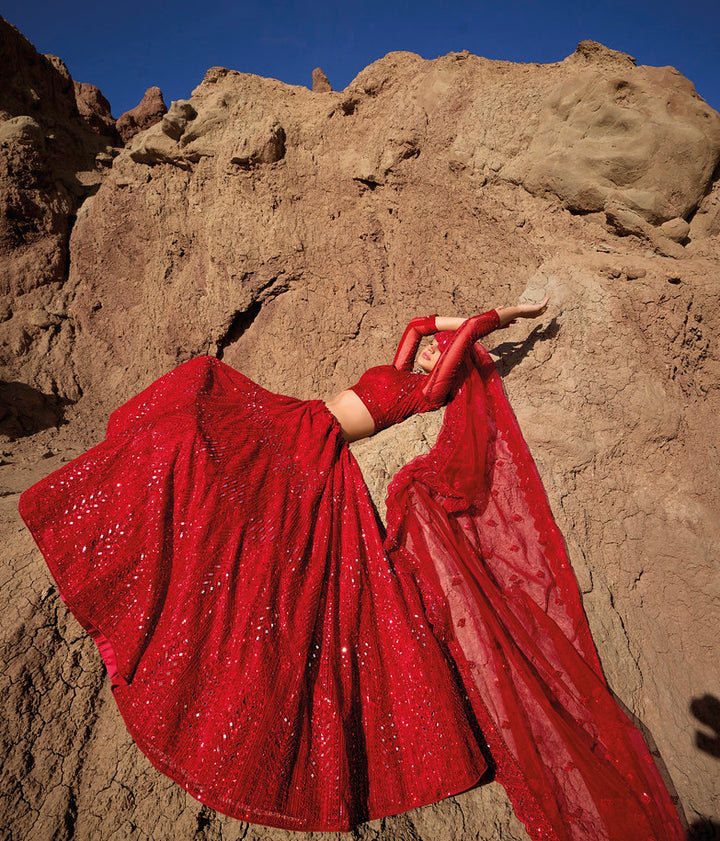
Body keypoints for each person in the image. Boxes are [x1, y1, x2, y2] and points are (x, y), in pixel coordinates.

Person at [18, 297, 684, 840]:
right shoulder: (409, 357)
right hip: (296, 421)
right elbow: (422, 322)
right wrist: (440, 325)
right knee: (191, 403)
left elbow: (456, 335)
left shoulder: (430, 385)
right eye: (428, 348)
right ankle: (93, 520)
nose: (427, 350)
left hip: (316, 444)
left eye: (437, 353)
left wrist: (502, 318)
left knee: (191, 443)